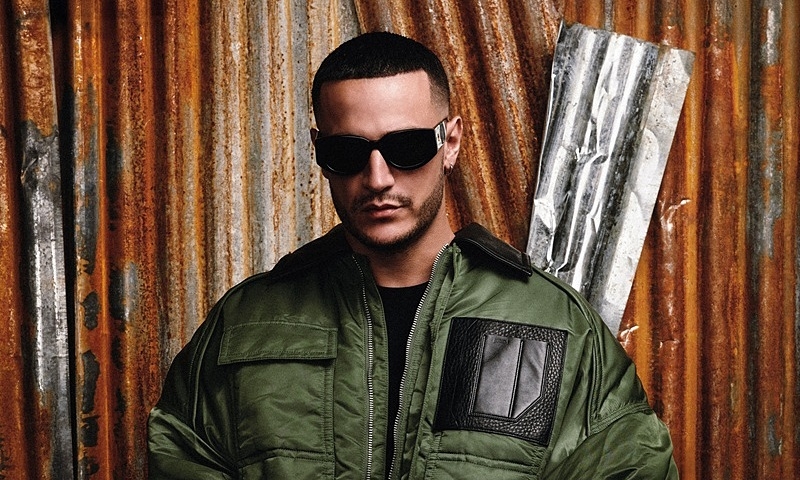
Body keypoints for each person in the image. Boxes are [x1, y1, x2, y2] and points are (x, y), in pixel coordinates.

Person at [148, 31, 678, 479]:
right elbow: (182, 456)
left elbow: (630, 465)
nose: (377, 178)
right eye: (347, 152)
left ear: (451, 142)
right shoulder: (248, 324)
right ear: (319, 152)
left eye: (405, 148)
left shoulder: (554, 322)